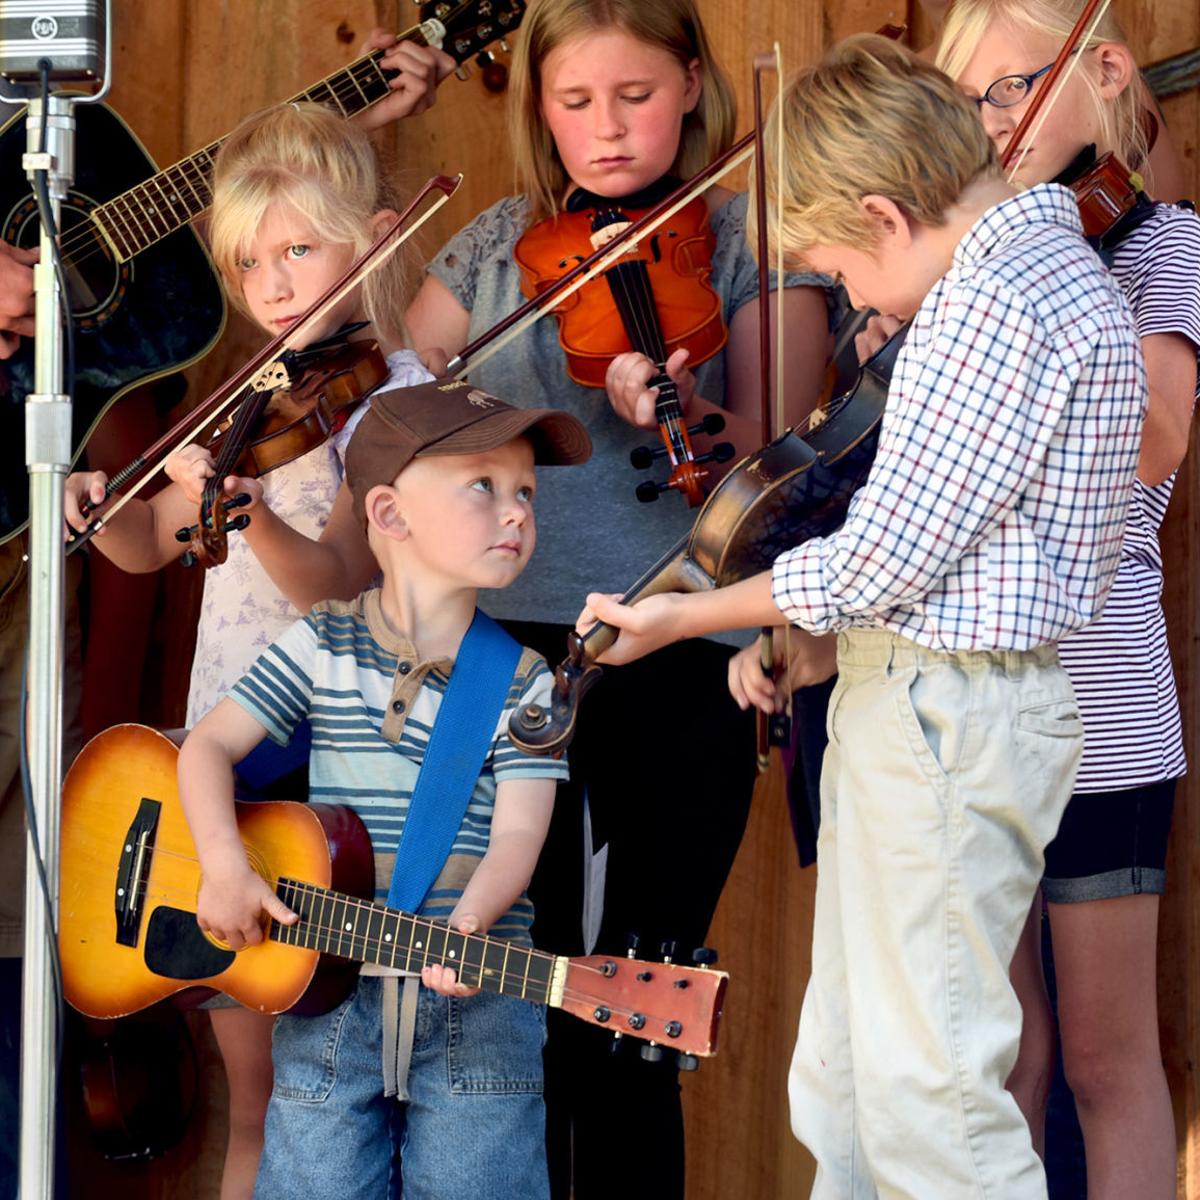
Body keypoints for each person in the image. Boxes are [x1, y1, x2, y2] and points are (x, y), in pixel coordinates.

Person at [581, 34, 1146, 1198]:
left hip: (944, 716)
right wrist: (810, 639)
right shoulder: (1039, 271)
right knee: (846, 1083)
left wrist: (688, 618)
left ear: (886, 215)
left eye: (835, 264)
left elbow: (878, 558)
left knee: (927, 1102)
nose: (842, 293)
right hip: (933, 694)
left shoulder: (989, 302)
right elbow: (943, 552)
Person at [404, 2, 834, 1192]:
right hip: (499, 648)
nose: (605, 131)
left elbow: (778, 458)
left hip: (678, 640)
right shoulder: (498, 247)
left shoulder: (750, 236)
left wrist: (699, 419)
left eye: (635, 97)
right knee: (507, 1002)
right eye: (574, 102)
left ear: (694, 84)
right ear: (538, 104)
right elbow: (388, 412)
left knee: (631, 1008)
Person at [63, 101, 435, 1200]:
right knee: (257, 1092)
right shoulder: (242, 407)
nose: (271, 285)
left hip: (347, 766)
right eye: (246, 264)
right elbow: (145, 544)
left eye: (297, 251)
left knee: (353, 1093)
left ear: (368, 240)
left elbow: (337, 577)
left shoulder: (399, 407)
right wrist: (99, 510)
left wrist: (245, 506)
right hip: (231, 770)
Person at [176, 379, 590, 1199]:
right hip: (329, 991)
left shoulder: (527, 678)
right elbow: (207, 749)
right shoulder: (323, 641)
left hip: (477, 1002)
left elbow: (518, 834)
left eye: (526, 493)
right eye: (485, 486)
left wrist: (471, 922)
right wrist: (225, 866)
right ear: (391, 515)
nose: (517, 512)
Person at [935, 4, 1199, 1196]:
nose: (993, 128)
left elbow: (1147, 448)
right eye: (970, 105)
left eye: (1010, 92)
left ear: (1101, 71)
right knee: (1007, 1051)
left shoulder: (1163, 251)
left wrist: (1045, 292)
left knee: (1104, 1054)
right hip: (983, 716)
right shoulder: (977, 263)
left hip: (1105, 719)